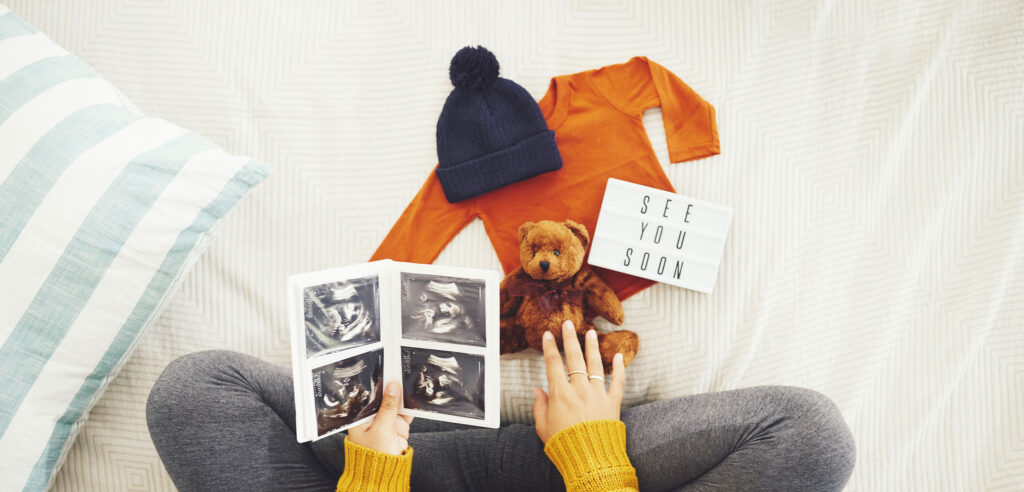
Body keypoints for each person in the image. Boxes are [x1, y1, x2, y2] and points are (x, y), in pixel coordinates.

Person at [147, 320, 856, 491]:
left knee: (194, 392)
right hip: (568, 476)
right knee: (810, 437)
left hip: (390, 474)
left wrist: (372, 473)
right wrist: (594, 455)